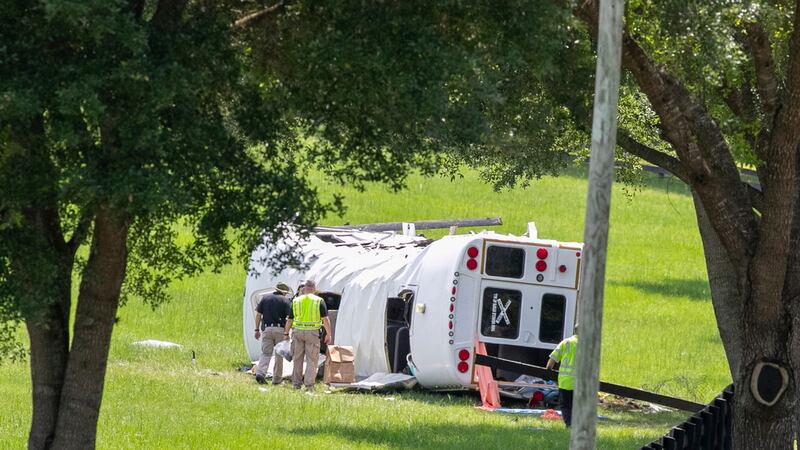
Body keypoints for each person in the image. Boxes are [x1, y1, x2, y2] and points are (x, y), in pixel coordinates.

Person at [283, 279, 332, 390]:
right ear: (314, 289)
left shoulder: (296, 301)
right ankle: (309, 385)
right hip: (312, 333)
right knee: (312, 359)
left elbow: (290, 320)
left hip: (297, 332)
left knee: (297, 359)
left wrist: (286, 333)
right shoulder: (319, 301)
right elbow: (325, 319)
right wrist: (329, 334)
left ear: (304, 289)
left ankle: (296, 384)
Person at [253, 282, 293, 385]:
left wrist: (257, 330)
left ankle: (261, 373)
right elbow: (289, 318)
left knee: (266, 353)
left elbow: (258, 315)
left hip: (267, 329)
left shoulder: (265, 298)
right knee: (279, 355)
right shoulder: (286, 301)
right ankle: (277, 379)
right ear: (284, 292)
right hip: (280, 330)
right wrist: (287, 333)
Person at [546, 323, 578, 427]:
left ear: (574, 331)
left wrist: (548, 370)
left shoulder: (565, 342)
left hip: (565, 381)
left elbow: (552, 360)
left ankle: (569, 424)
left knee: (565, 405)